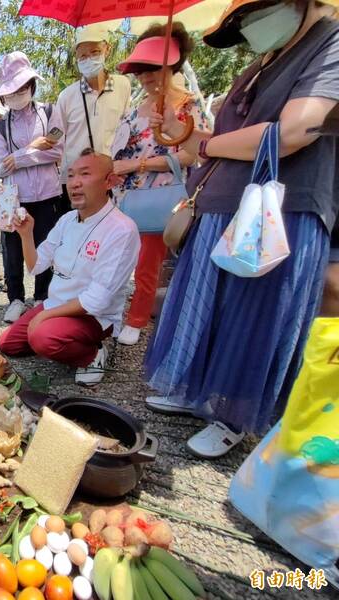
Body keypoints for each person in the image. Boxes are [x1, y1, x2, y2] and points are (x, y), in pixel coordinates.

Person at [145, 0, 339, 458]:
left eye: (256, 12)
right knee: (210, 309)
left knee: (252, 314)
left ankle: (233, 415)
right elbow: (209, 148)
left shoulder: (330, 46)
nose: (251, 25)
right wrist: (178, 132)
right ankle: (198, 394)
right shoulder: (260, 63)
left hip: (277, 212)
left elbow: (295, 131)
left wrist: (209, 143)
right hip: (221, 205)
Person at [0, 150, 140, 385]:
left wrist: (44, 316)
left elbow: (97, 301)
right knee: (8, 344)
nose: (74, 183)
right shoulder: (66, 220)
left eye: (85, 175)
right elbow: (36, 266)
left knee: (41, 337)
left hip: (94, 316)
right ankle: (56, 338)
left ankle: (93, 355)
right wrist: (26, 235)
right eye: (71, 175)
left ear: (109, 181)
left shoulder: (122, 230)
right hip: (57, 304)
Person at [111, 23, 211, 347]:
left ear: (171, 66)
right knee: (120, 258)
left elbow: (189, 154)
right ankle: (118, 313)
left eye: (152, 69)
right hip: (127, 196)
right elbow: (121, 151)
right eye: (140, 71)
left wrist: (138, 164)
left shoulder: (186, 106)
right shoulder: (134, 109)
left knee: (148, 262)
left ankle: (138, 318)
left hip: (164, 197)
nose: (145, 77)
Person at [0, 52, 65, 324]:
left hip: (48, 195)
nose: (18, 93)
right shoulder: (0, 125)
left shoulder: (49, 112)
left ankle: (42, 297)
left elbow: (57, 151)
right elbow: (1, 164)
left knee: (46, 246)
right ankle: (15, 299)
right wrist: (35, 148)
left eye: (23, 87)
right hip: (15, 198)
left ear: (32, 85)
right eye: (12, 90)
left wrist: (20, 156)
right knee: (12, 251)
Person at [56, 24, 132, 217]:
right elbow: (56, 135)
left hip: (113, 178)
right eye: (82, 56)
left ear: (108, 49)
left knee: (113, 234)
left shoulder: (123, 86)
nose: (88, 59)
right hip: (78, 182)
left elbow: (128, 128)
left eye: (95, 52)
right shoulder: (67, 96)